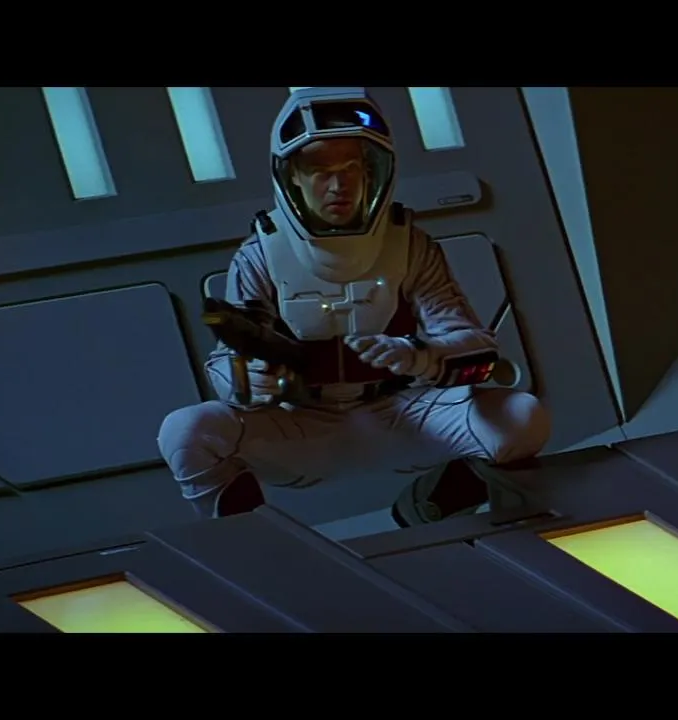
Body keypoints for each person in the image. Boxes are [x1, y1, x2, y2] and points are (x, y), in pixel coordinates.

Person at [157, 87, 551, 527]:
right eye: (319, 170)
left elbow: (476, 345)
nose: (338, 185)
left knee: (523, 420)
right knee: (185, 432)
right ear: (292, 176)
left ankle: (430, 503)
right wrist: (247, 379)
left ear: (374, 171)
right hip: (303, 426)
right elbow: (228, 362)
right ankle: (252, 543)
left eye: (352, 168)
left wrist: (419, 356)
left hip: (403, 414)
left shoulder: (410, 246)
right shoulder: (260, 255)